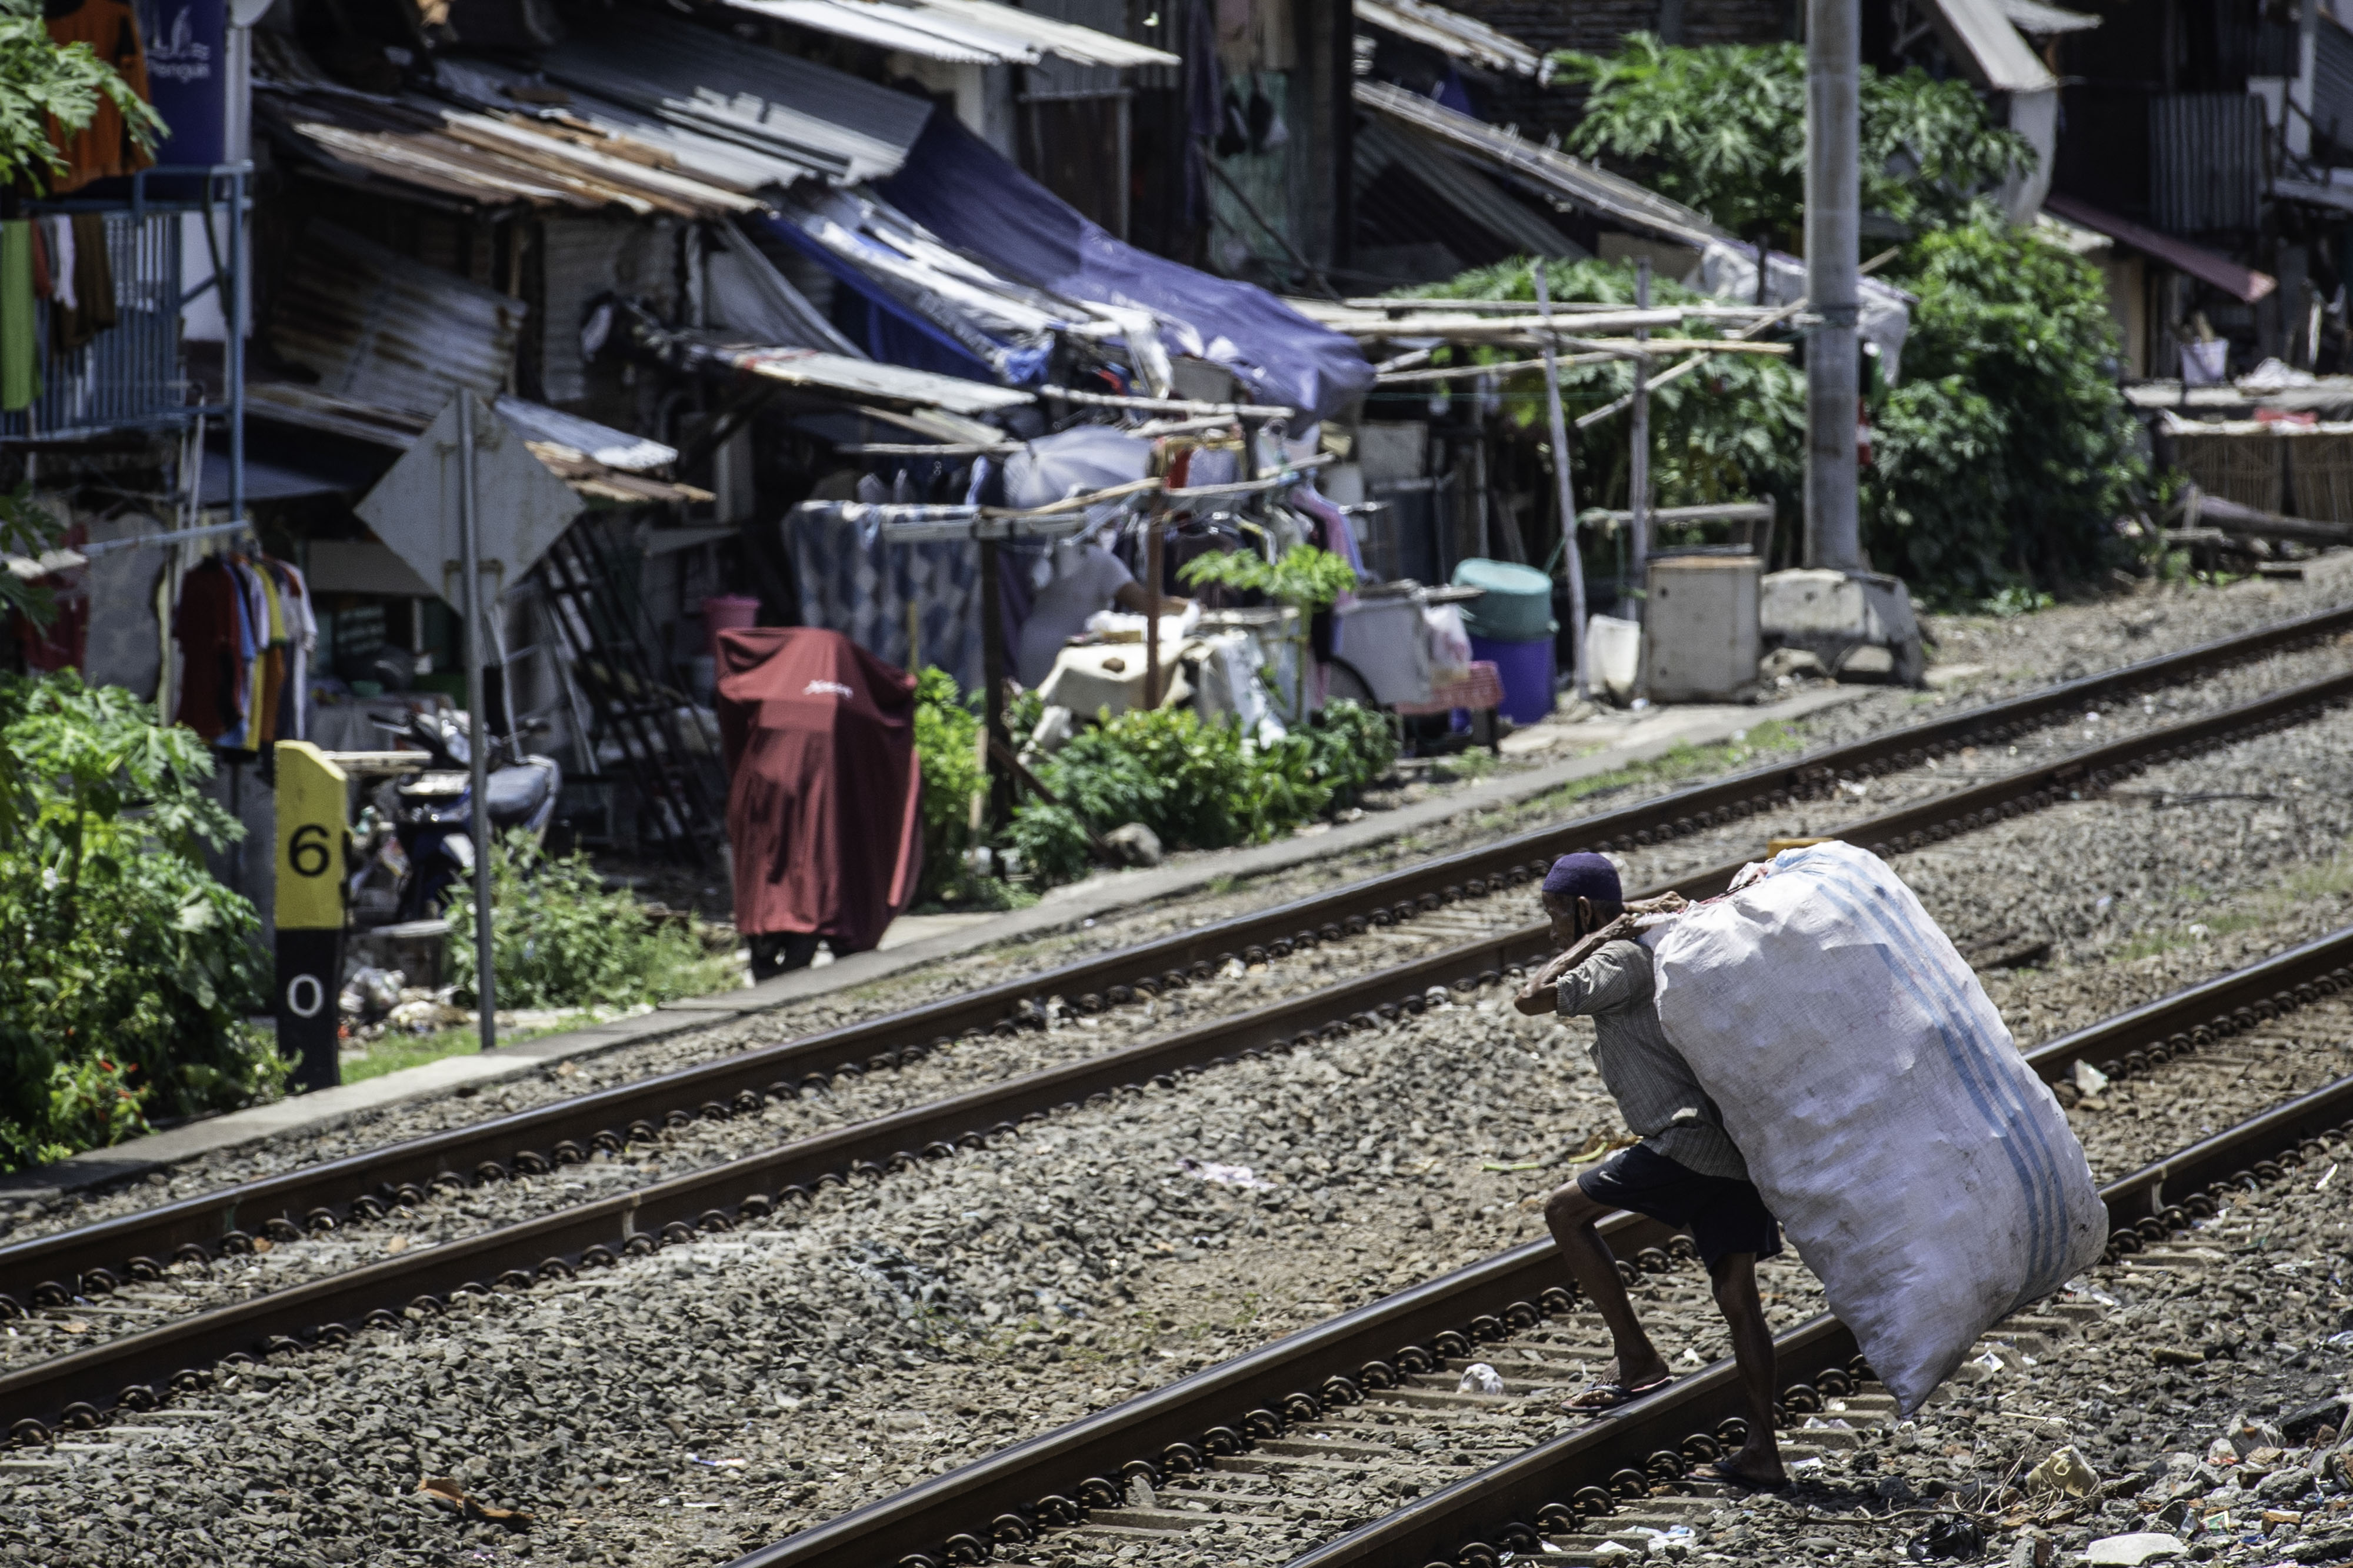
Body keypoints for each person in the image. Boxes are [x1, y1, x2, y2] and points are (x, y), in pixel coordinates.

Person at [1511, 852, 1788, 1491]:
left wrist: (1603, 933)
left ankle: (1635, 1357)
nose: (1549, 927)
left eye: (1555, 913)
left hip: (1682, 1140)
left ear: (1582, 908)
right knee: (1738, 1300)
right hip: (1729, 1148)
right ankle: (1762, 1451)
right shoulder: (1647, 946)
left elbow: (1530, 998)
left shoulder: (1619, 958)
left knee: (1565, 1211)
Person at [1013, 535, 1190, 688]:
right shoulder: (1102, 561)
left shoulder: (1044, 556)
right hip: (1067, 651)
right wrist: (1188, 606)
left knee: (1036, 709)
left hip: (1031, 643)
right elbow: (1143, 602)